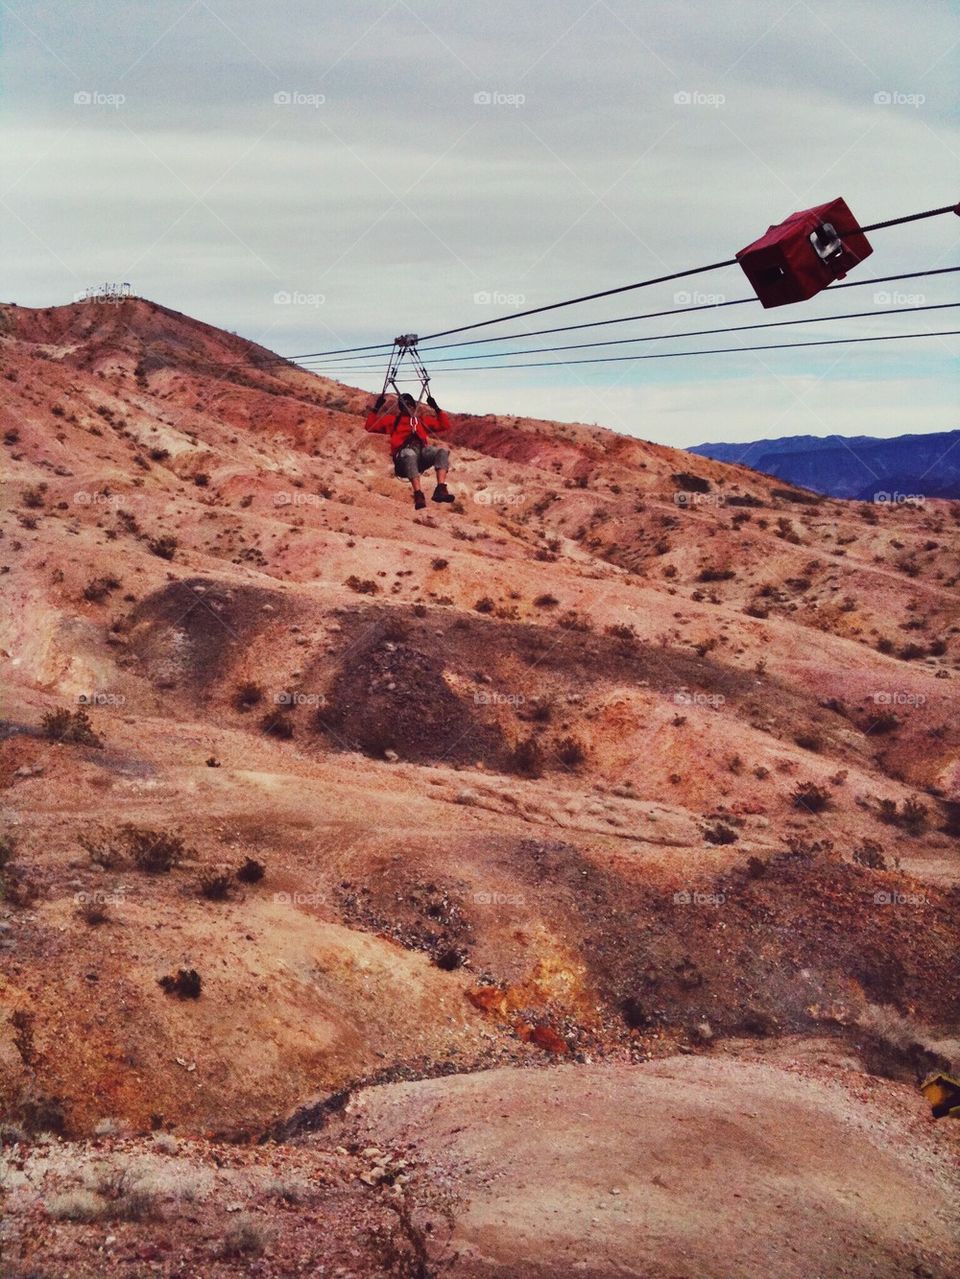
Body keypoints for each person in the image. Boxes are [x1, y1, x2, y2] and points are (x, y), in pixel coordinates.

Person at [365, 390, 454, 510]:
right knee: (409, 454)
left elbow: (444, 425)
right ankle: (418, 494)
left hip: (421, 454)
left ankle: (441, 489)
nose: (408, 408)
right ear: (401, 408)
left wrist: (436, 408)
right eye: (405, 406)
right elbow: (370, 426)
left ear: (414, 406)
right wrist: (376, 408)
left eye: (410, 405)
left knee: (442, 451)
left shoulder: (421, 421)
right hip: (403, 458)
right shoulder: (393, 421)